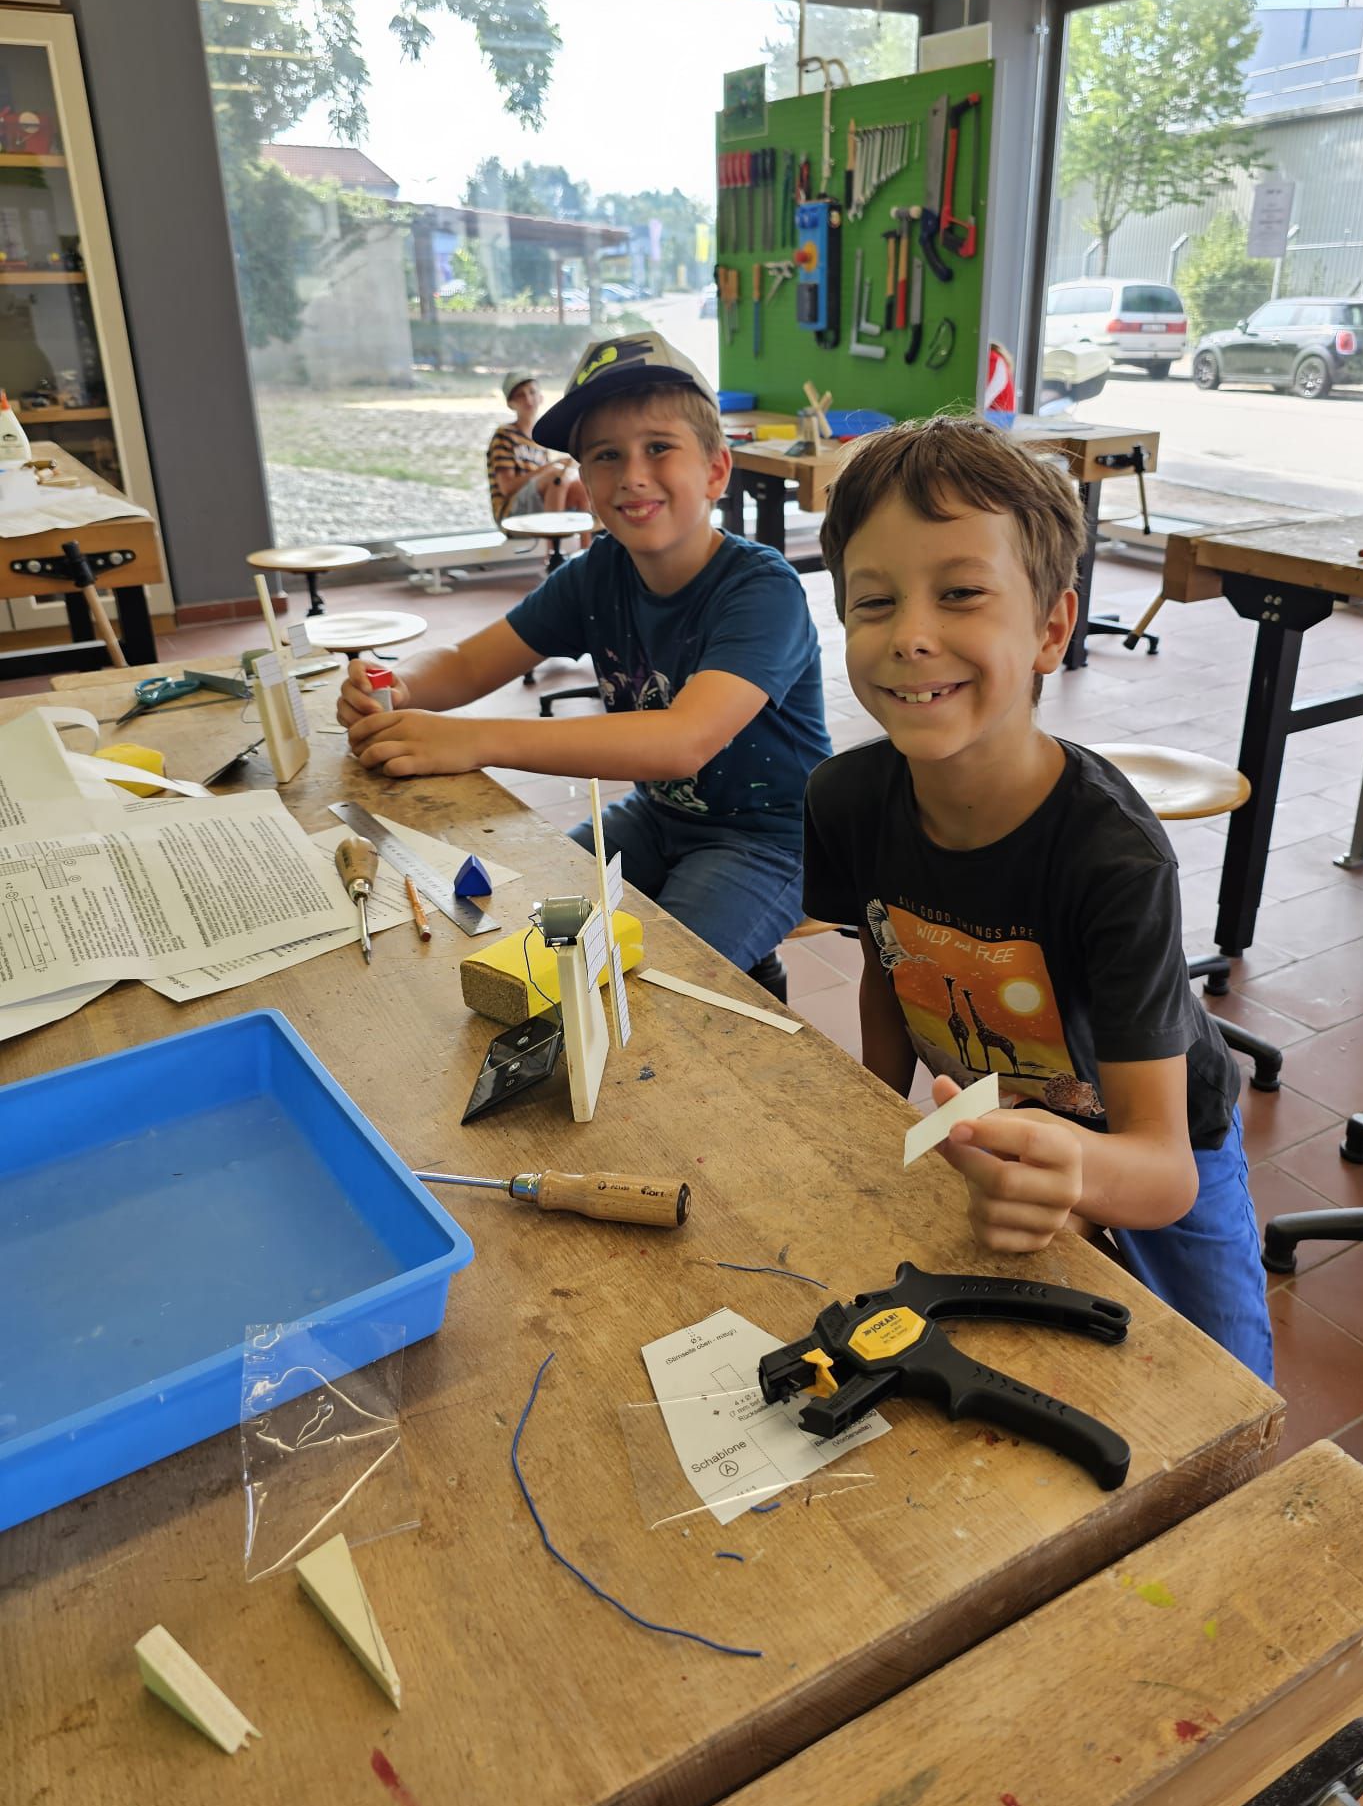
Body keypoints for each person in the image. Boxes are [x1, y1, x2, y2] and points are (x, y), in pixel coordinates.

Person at [803, 415, 1273, 1382]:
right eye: (874, 601)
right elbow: (886, 970)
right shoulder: (845, 799)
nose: (911, 637)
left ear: (1052, 628)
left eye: (962, 594)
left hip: (1157, 1136)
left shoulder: (1114, 857)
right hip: (982, 1121)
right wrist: (874, 1120)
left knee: (1222, 1380)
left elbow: (1163, 1165)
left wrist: (1081, 1172)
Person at [339, 332, 832, 972]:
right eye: (605, 456)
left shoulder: (762, 590)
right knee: (534, 922)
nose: (632, 475)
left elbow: (683, 740)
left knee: (655, 980)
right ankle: (754, 969)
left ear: (715, 469)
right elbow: (464, 663)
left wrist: (473, 739)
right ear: (587, 485)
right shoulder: (597, 573)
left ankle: (747, 973)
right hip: (658, 818)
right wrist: (396, 683)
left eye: (658, 448)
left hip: (769, 840)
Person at [486, 369, 592, 523]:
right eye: (520, 395)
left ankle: (586, 545)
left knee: (578, 484)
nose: (528, 399)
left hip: (538, 503)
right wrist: (552, 467)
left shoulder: (539, 439)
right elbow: (507, 488)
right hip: (509, 513)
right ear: (511, 404)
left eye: (532, 392)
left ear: (541, 397)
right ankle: (552, 541)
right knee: (557, 474)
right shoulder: (505, 435)